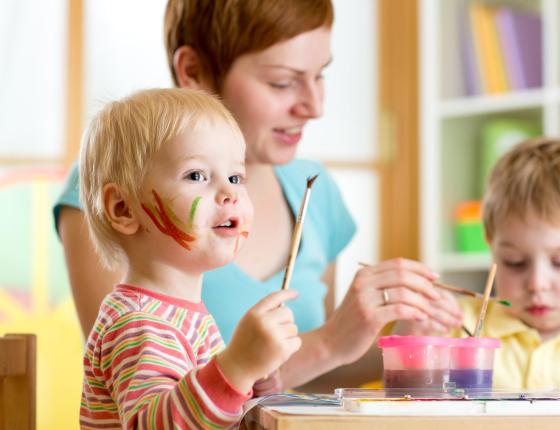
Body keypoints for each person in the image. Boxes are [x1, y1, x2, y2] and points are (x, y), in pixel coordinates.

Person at [55, 0, 462, 391]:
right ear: (194, 70)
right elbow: (144, 396)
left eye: (320, 75)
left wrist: (402, 338)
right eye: (282, 82)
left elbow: (309, 383)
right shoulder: (126, 190)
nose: (314, 106)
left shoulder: (312, 190)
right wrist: (325, 343)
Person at [78, 88, 301, 429]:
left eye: (236, 177)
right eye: (196, 176)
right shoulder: (139, 323)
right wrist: (235, 368)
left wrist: (248, 385)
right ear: (123, 208)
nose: (229, 193)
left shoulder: (180, 314)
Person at [406, 138, 560, 390]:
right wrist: (413, 339)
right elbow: (404, 409)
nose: (537, 284)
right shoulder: (451, 327)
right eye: (515, 262)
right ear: (492, 248)